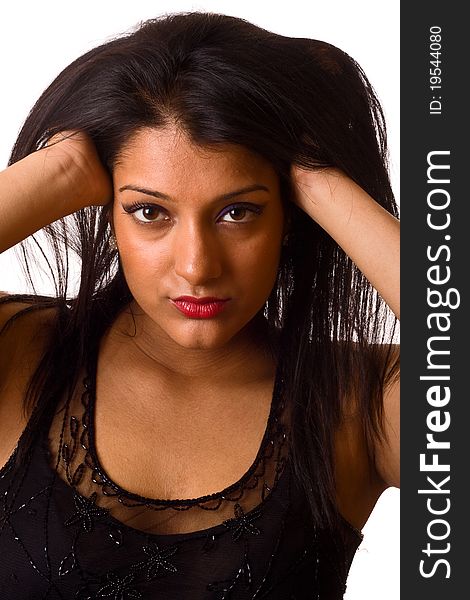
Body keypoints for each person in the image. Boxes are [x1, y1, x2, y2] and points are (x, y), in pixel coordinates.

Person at [0, 11, 399, 599]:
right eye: (149, 212)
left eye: (238, 212)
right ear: (107, 211)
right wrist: (56, 170)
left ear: (290, 219)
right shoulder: (19, 351)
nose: (197, 266)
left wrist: (321, 181)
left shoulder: (360, 402)